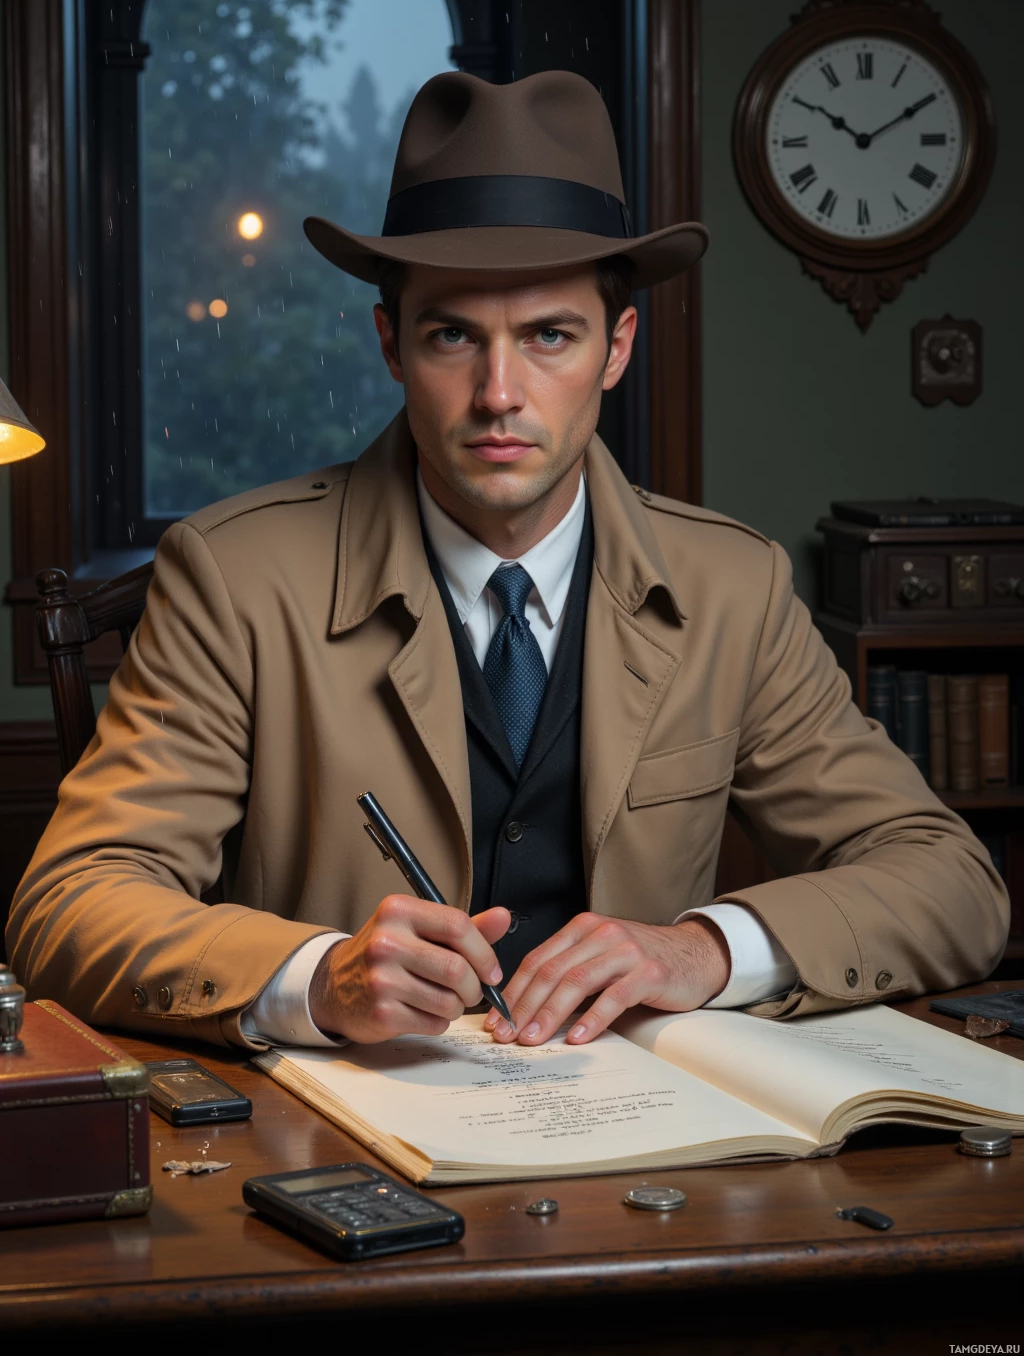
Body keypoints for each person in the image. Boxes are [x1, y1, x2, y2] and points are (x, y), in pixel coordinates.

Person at [7, 71, 1008, 1052]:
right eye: (453, 335)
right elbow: (69, 900)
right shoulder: (233, 579)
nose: (498, 393)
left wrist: (703, 949)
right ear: (391, 345)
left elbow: (951, 882)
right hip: (343, 1137)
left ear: (616, 347)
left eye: (549, 336)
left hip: (656, 1132)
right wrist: (316, 977)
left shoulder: (731, 588)